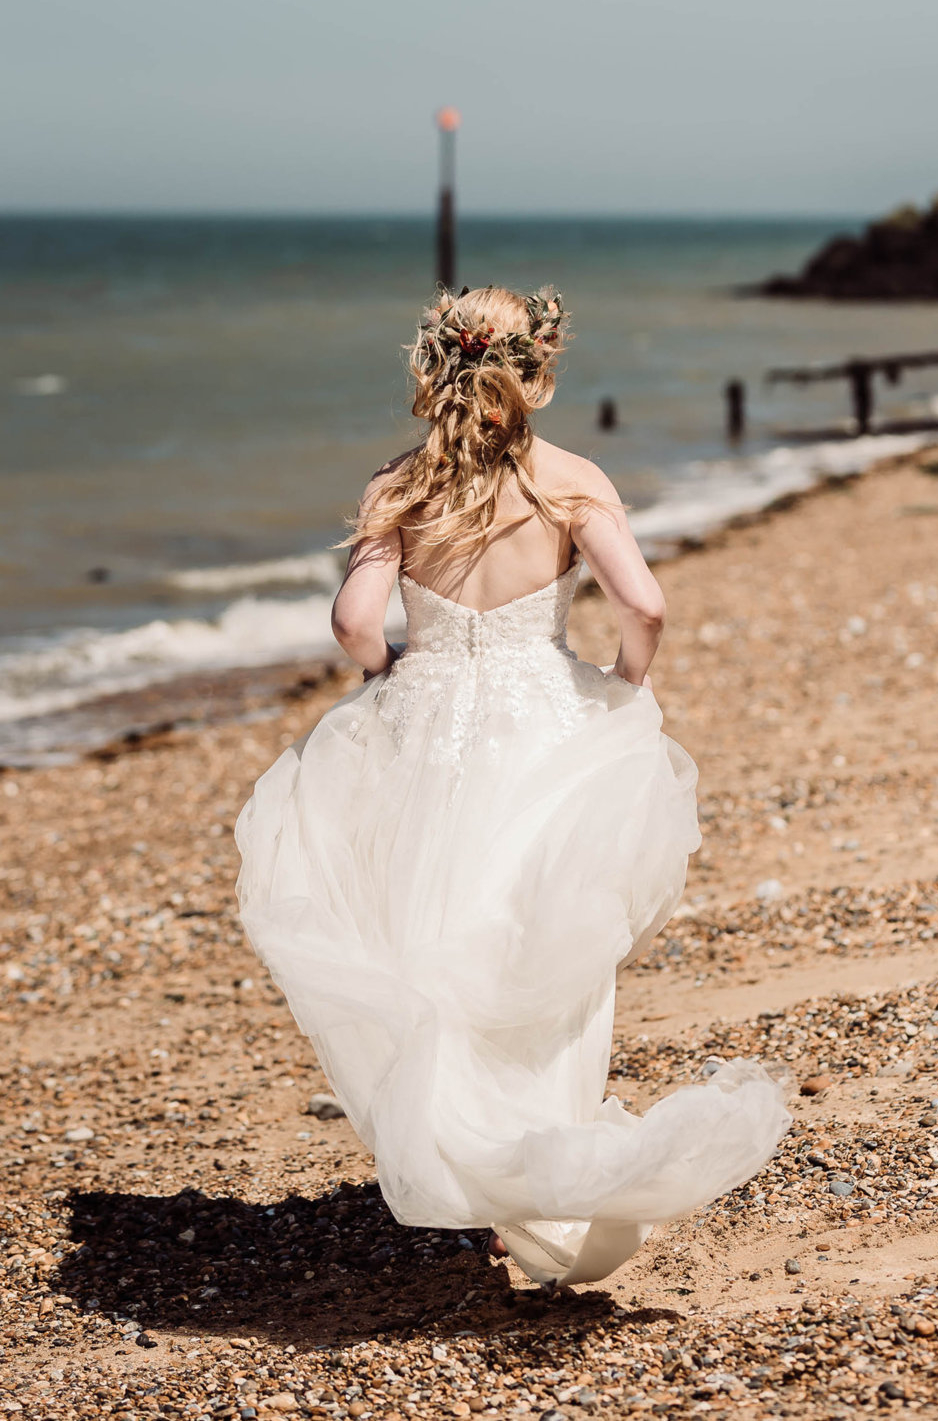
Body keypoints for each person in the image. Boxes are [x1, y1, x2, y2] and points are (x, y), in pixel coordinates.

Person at [235, 284, 792, 1288]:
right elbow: (645, 602)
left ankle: (468, 1173)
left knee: (430, 947)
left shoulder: (396, 487)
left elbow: (357, 619)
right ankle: (546, 1167)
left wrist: (381, 680)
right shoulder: (570, 479)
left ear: (430, 366)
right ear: (534, 370)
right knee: (545, 951)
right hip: (546, 723)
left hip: (427, 729)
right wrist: (627, 682)